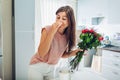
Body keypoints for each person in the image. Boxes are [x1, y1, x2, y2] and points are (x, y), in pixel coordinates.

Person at [28, 5, 83, 80]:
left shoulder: (67, 36)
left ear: (70, 22)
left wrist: (73, 53)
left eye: (64, 18)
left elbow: (61, 54)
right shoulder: (47, 29)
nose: (60, 20)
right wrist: (52, 32)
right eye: (58, 17)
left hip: (51, 68)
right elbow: (41, 53)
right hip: (37, 66)